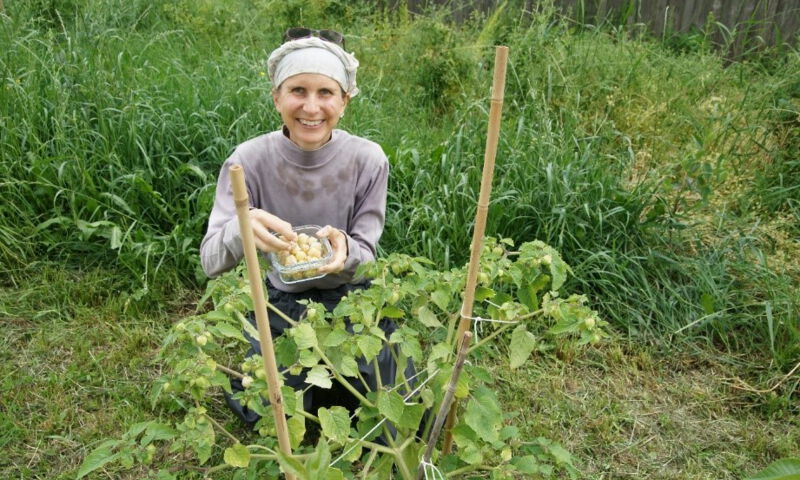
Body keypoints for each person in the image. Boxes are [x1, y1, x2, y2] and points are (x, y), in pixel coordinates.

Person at [199, 27, 402, 425]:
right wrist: (243, 227)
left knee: (395, 406)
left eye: (325, 93)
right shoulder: (249, 160)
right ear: (276, 96)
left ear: (344, 101)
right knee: (268, 413)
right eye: (298, 91)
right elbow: (210, 261)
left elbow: (366, 256)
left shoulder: (368, 160)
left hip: (351, 303)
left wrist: (344, 249)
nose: (311, 107)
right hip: (282, 309)